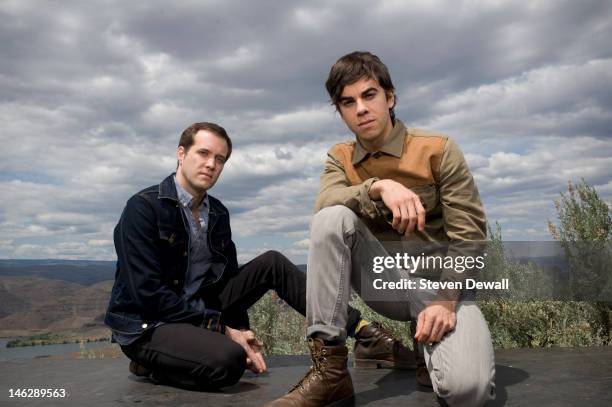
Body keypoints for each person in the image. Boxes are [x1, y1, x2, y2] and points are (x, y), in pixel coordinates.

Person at [105, 121, 415, 390]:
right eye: (203, 153)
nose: (211, 164)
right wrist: (222, 331)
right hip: (150, 324)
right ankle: (156, 364)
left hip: (199, 308)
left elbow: (228, 283)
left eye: (220, 159)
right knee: (227, 362)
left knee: (273, 262)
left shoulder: (217, 213)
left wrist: (242, 332)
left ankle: (364, 334)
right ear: (182, 154)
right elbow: (147, 295)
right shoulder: (143, 209)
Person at [266, 52, 496, 407]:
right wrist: (377, 187)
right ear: (340, 111)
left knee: (468, 391)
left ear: (390, 97)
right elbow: (325, 201)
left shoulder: (438, 149)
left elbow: (471, 234)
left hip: (442, 291)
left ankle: (428, 347)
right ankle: (330, 373)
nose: (360, 108)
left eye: (369, 95)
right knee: (330, 218)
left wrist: (447, 301)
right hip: (386, 283)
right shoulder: (339, 157)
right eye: (348, 102)